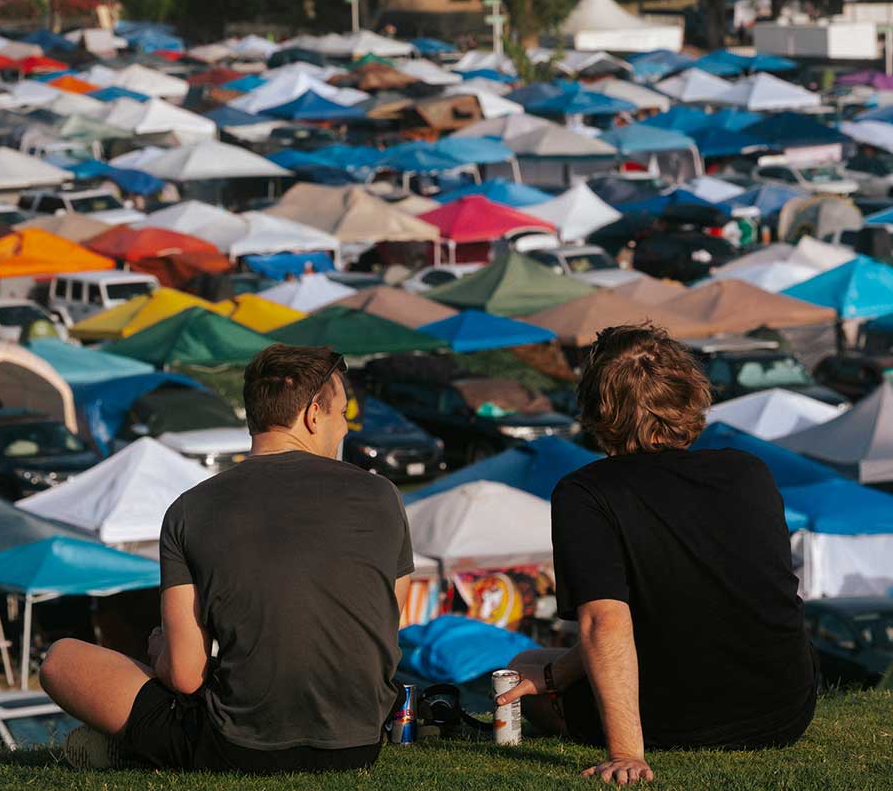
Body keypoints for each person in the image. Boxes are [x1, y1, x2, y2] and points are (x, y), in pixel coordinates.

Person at [41, 344, 414, 774]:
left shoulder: (190, 509)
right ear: (313, 415)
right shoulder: (382, 496)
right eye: (342, 414)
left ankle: (127, 748)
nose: (344, 429)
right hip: (358, 743)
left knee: (61, 658)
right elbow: (384, 624)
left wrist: (161, 647)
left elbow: (185, 676)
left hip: (239, 748)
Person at [497, 324, 816, 785]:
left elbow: (603, 621)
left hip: (681, 714)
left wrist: (626, 752)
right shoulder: (748, 472)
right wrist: (560, 674)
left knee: (521, 670)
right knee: (541, 670)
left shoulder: (587, 492)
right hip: (784, 708)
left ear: (597, 408)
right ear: (690, 394)